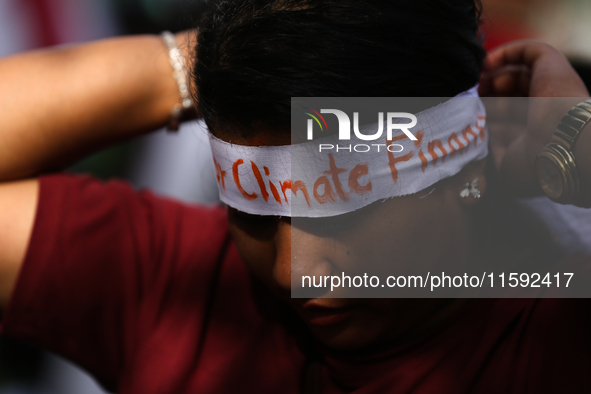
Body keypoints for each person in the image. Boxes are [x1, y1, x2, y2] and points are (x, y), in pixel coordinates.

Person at [0, 0, 590, 393]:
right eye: (252, 208)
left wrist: (576, 150)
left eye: (341, 210)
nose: (292, 272)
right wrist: (220, 56)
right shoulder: (181, 283)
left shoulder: (554, 339)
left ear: (466, 163)